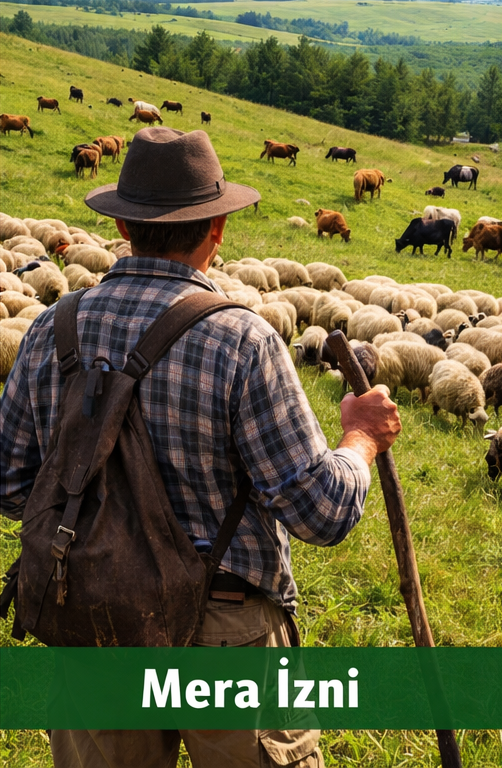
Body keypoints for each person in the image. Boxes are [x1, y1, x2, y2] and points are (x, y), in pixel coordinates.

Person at [0, 126, 402, 768]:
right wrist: (359, 438)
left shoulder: (52, 329)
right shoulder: (241, 341)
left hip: (95, 625)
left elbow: (12, 486)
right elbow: (321, 512)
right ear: (217, 230)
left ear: (125, 228)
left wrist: (105, 526)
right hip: (227, 635)